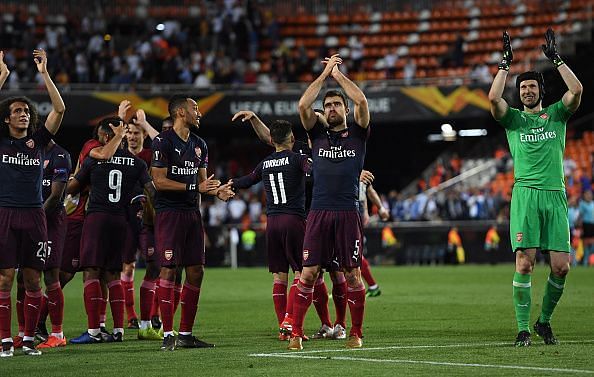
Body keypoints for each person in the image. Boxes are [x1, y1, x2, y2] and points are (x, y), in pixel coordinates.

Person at [488, 28, 583, 347]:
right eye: (523, 87)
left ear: (541, 90)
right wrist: (505, 64)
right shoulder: (514, 120)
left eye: (532, 86)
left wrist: (556, 59)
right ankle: (523, 329)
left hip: (555, 196)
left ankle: (544, 322)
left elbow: (577, 89)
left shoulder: (557, 115)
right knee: (525, 263)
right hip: (526, 196)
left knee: (562, 266)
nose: (527, 90)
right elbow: (492, 99)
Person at [289, 54, 370, 350]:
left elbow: (361, 101)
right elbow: (302, 105)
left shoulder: (359, 133)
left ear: (344, 110)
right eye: (328, 106)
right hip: (319, 212)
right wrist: (324, 74)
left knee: (352, 274)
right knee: (309, 273)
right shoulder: (317, 134)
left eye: (336, 104)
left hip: (348, 212)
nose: (332, 109)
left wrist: (338, 77)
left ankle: (355, 332)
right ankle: (296, 333)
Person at [152, 95, 234, 351]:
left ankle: (185, 334)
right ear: (180, 112)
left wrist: (216, 191)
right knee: (169, 269)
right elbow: (158, 181)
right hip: (169, 213)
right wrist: (194, 187)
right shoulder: (162, 141)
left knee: (196, 271)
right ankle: (167, 334)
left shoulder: (200, 145)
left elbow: (204, 184)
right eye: (194, 109)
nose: (199, 113)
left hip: (192, 214)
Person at [0, 49, 65, 357]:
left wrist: (44, 74)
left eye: (26, 111)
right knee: (4, 278)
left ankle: (27, 340)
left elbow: (60, 109)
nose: (23, 114)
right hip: (5, 213)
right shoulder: (2, 142)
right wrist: (2, 76)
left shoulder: (38, 141)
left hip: (35, 215)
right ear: (6, 118)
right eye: (16, 111)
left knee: (31, 279)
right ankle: (3, 341)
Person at [68, 117, 155, 344]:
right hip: (120, 220)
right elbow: (152, 191)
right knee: (114, 275)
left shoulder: (94, 159)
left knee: (91, 272)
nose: (97, 140)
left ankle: (94, 331)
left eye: (99, 136)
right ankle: (118, 330)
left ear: (107, 136)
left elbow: (72, 187)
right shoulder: (137, 164)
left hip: (96, 218)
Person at [230, 111, 311, 341]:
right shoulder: (297, 159)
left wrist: (229, 185)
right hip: (293, 220)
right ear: (292, 137)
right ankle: (290, 319)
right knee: (301, 273)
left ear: (272, 140)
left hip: (272, 222)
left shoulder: (265, 162)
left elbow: (247, 180)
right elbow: (312, 172)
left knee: (278, 277)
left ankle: (282, 328)